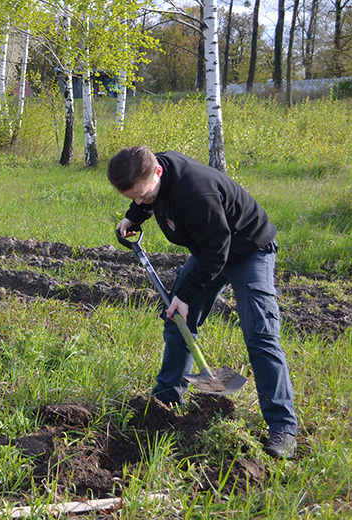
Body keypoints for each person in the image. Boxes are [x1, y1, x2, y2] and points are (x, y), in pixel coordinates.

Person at [107, 146, 298, 459]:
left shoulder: (195, 193)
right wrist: (133, 215)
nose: (140, 201)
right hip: (210, 250)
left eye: (142, 195)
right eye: (133, 197)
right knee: (177, 321)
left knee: (260, 334)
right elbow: (151, 202)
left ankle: (283, 427)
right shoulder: (152, 174)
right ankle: (165, 403)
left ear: (157, 173)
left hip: (249, 249)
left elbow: (216, 252)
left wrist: (184, 296)